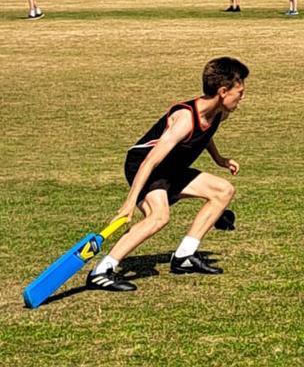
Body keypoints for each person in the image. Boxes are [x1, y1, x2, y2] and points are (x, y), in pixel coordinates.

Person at [85, 57, 249, 292]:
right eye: (239, 92)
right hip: (144, 166)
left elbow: (206, 135)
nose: (242, 98)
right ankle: (102, 271)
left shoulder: (219, 113)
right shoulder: (184, 119)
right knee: (159, 217)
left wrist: (219, 159)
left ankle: (184, 257)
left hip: (171, 168)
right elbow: (151, 160)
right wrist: (129, 203)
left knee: (223, 190)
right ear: (223, 91)